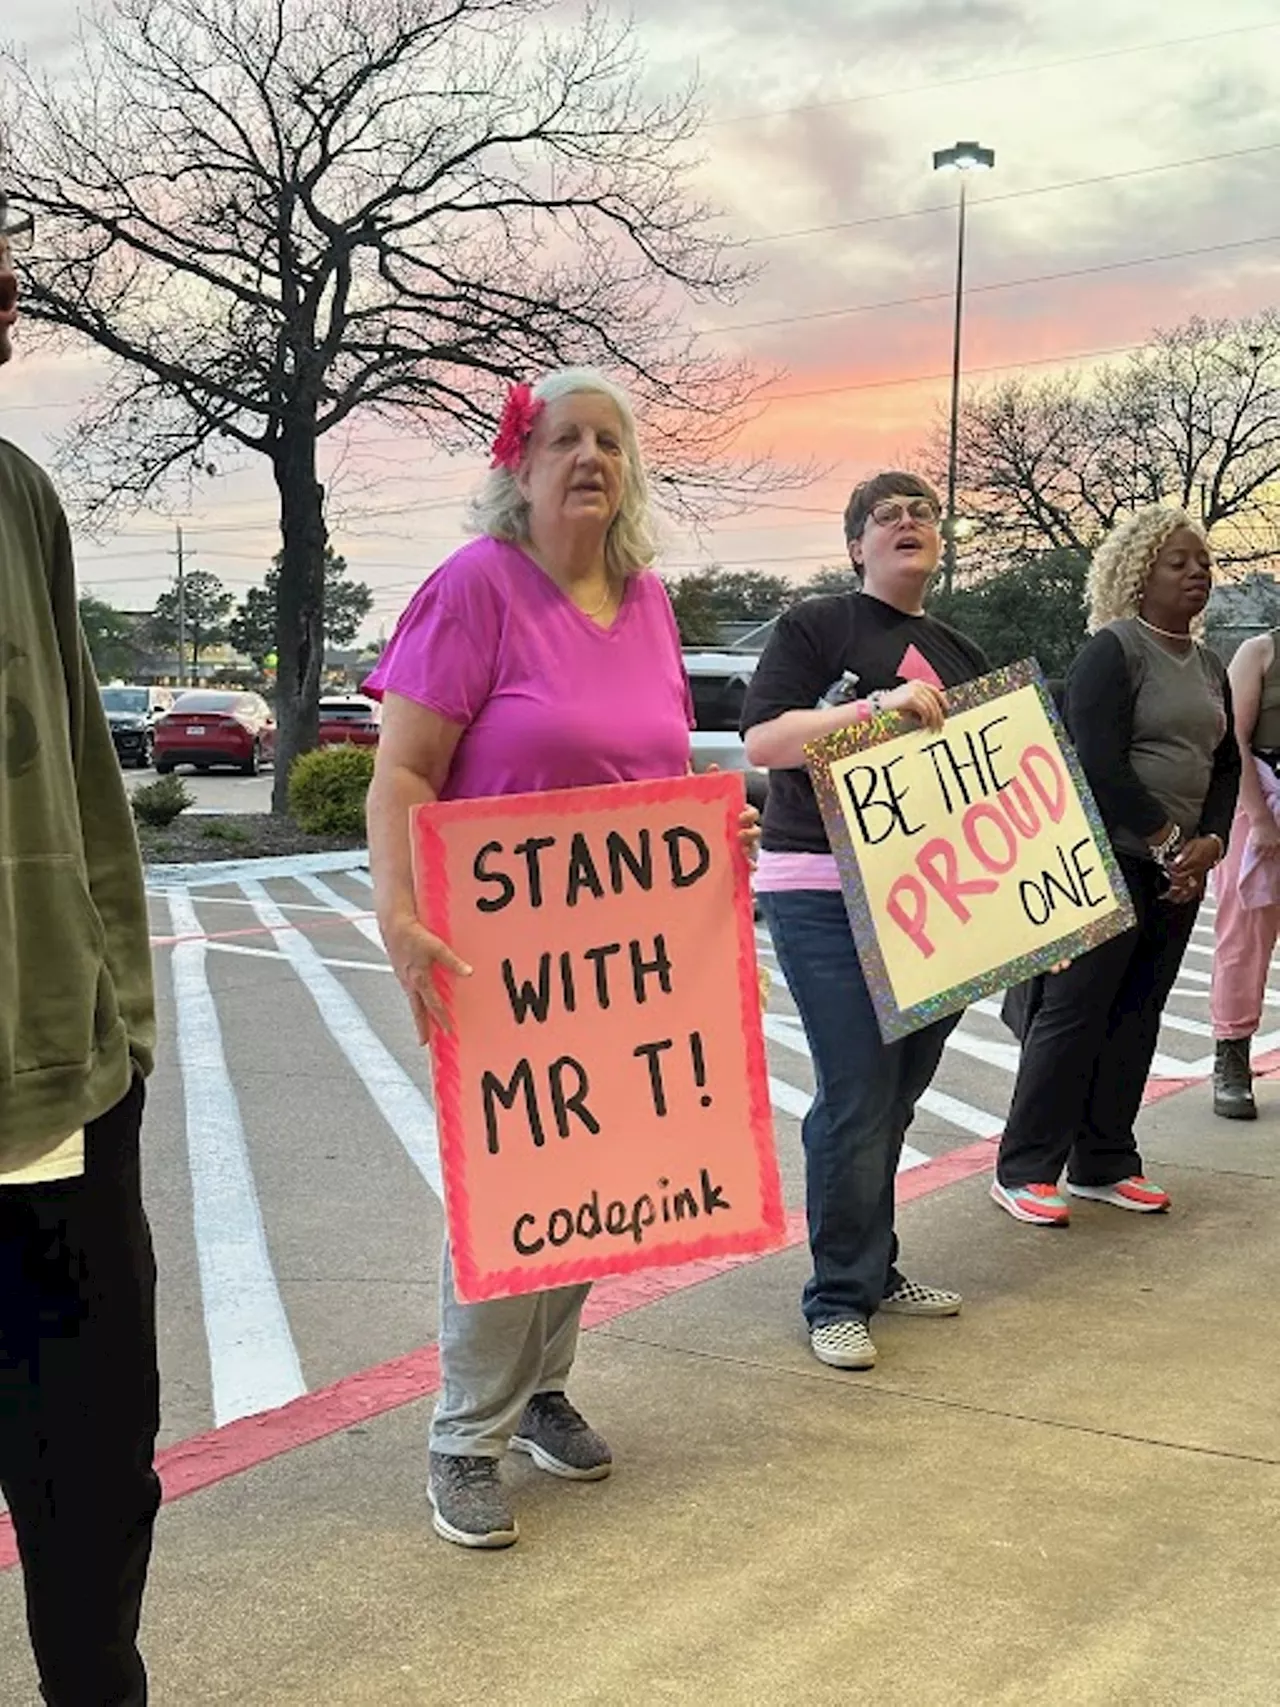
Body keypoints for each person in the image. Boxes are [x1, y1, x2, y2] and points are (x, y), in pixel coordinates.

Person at [364, 367, 757, 1549]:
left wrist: (710, 827)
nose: (590, 458)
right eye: (565, 441)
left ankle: (540, 1391)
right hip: (494, 955)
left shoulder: (645, 603)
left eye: (611, 442)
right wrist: (398, 914)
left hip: (628, 958)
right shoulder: (475, 588)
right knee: (515, 1181)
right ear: (518, 468)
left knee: (603, 1175)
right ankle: (461, 1436)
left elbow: (648, 772)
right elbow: (401, 774)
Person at [0, 192, 161, 1704]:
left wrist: (129, 1033)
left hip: (62, 1099)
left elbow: (87, 795)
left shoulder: (17, 493)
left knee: (97, 1489)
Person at [740, 472, 989, 1373]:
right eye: (886, 517)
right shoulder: (818, 626)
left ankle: (875, 1267)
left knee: (898, 1089)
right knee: (854, 1086)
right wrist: (872, 710)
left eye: (922, 512)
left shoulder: (958, 649)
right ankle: (836, 1296)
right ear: (856, 547)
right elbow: (764, 742)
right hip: (820, 884)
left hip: (931, 895)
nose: (908, 523)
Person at [992, 506, 1239, 1225]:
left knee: (1138, 1014)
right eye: (1178, 562)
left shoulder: (1211, 664)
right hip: (1109, 862)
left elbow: (1222, 765)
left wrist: (1210, 844)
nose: (1197, 573)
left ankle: (1104, 1159)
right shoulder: (1114, 650)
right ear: (1140, 574)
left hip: (1179, 871)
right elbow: (1094, 760)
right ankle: (1025, 1167)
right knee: (1074, 1013)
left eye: (1203, 562)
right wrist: (1166, 839)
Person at [1208, 629, 1280, 1119]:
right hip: (1259, 806)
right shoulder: (1260, 651)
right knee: (1243, 939)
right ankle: (1231, 1059)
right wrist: (1258, 817)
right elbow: (1231, 739)